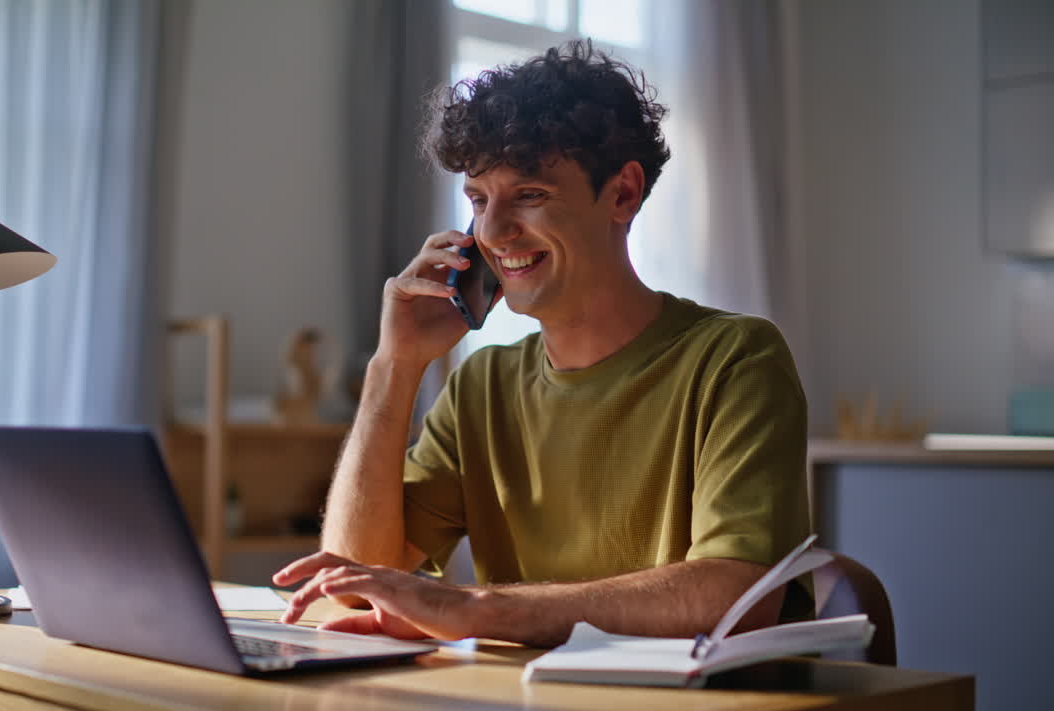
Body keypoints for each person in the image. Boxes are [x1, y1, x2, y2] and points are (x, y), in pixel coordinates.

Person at [273, 40, 810, 648]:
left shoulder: (735, 359)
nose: (493, 232)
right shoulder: (482, 386)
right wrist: (392, 368)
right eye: (478, 200)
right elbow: (350, 586)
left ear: (623, 194)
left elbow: (735, 594)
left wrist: (478, 608)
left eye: (529, 194)